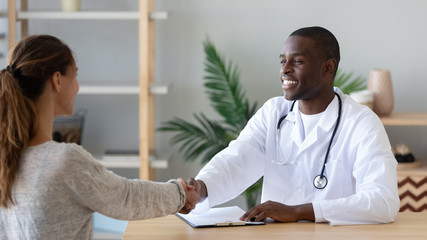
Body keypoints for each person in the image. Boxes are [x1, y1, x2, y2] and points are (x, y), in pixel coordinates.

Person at [185, 26, 400, 225]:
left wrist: (299, 211)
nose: (285, 70)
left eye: (297, 61)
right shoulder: (273, 112)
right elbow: (237, 158)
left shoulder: (361, 122)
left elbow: (383, 201)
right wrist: (201, 188)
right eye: (282, 61)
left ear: (328, 67)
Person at [0, 35, 200, 239]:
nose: (77, 87)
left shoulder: (6, 158)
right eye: (75, 75)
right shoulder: (63, 161)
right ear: (57, 80)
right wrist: (180, 193)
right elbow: (126, 197)